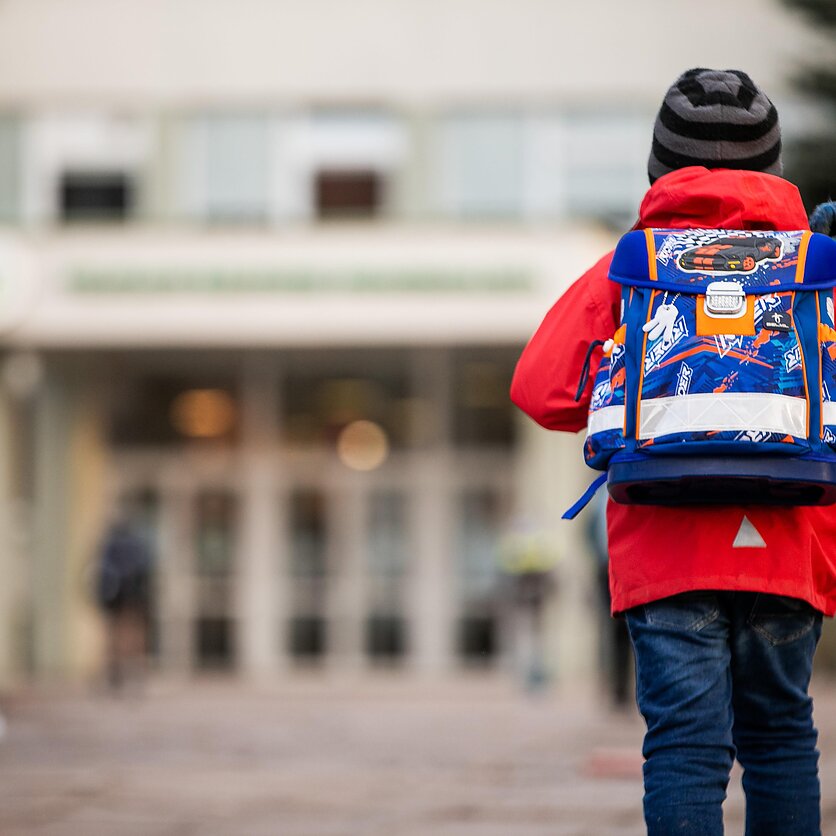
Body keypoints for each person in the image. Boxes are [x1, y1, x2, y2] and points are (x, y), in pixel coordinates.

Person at [511, 68, 836, 835]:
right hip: (789, 544)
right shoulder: (813, 266)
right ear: (773, 166)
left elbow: (540, 390)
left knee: (686, 748)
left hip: (664, 547)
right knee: (782, 740)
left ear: (660, 167)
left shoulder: (632, 266)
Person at [96, 516, 152, 692]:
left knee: (115, 635)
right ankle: (135, 673)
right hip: (135, 597)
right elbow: (145, 569)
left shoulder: (111, 545)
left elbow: (103, 570)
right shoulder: (137, 545)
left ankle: (116, 673)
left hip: (115, 598)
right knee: (134, 635)